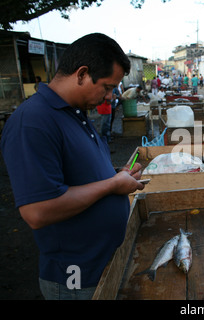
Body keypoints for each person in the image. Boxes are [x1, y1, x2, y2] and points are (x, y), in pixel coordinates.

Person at [0, 33, 146, 300]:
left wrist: (115, 175)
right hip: (76, 277)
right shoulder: (33, 121)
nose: (110, 96)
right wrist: (112, 185)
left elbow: (77, 174)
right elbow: (37, 211)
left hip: (101, 265)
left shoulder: (74, 112)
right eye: (107, 87)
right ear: (81, 74)